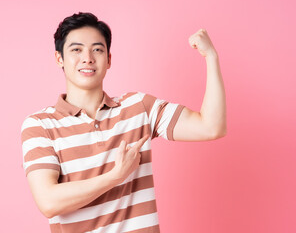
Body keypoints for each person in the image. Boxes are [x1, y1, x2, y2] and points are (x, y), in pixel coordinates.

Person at [20, 12, 226, 233]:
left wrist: (211, 57)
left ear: (109, 59)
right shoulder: (40, 125)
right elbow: (48, 202)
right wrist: (116, 176)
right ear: (59, 58)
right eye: (76, 49)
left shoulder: (138, 107)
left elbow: (211, 127)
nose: (88, 58)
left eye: (97, 49)